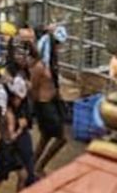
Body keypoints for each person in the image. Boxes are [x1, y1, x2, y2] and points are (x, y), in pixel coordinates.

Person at [30, 36, 67, 175]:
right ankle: (39, 166)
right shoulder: (39, 66)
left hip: (51, 102)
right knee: (61, 139)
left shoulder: (51, 63)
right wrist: (34, 108)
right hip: (44, 105)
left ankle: (33, 165)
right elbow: (33, 88)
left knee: (45, 137)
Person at [0, 78, 28, 193]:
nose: (20, 101)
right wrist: (21, 128)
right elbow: (11, 136)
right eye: (18, 98)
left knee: (22, 175)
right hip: (7, 148)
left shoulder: (4, 111)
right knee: (0, 177)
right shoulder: (8, 115)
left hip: (8, 147)